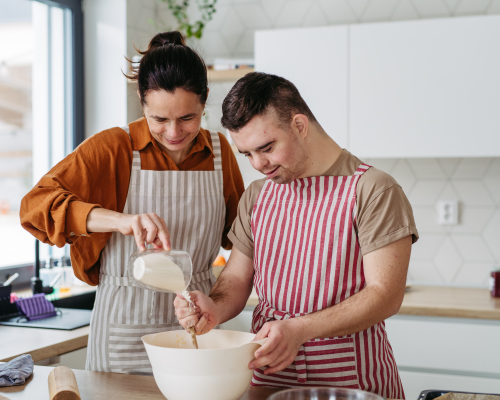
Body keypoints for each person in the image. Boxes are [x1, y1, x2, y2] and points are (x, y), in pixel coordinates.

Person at [174, 72, 418, 398]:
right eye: (246, 154)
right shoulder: (258, 196)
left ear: (300, 126)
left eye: (267, 147)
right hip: (268, 377)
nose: (258, 164)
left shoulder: (372, 189)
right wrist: (213, 308)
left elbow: (385, 295)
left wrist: (299, 329)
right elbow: (235, 278)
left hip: (350, 383)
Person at [20, 31, 244, 374]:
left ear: (205, 100)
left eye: (187, 118)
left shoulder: (219, 153)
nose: (173, 132)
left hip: (194, 323)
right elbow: (35, 206)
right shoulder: (113, 148)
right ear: (142, 100)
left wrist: (220, 299)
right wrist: (119, 220)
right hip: (122, 334)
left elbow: (243, 240)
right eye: (159, 119)